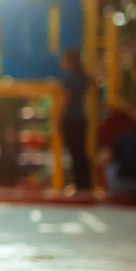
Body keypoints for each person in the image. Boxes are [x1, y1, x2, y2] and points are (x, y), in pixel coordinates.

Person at [59, 50, 91, 192]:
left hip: (71, 119)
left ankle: (80, 185)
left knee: (74, 152)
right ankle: (85, 184)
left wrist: (59, 116)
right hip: (82, 118)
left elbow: (67, 98)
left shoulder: (69, 78)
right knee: (81, 152)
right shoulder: (82, 77)